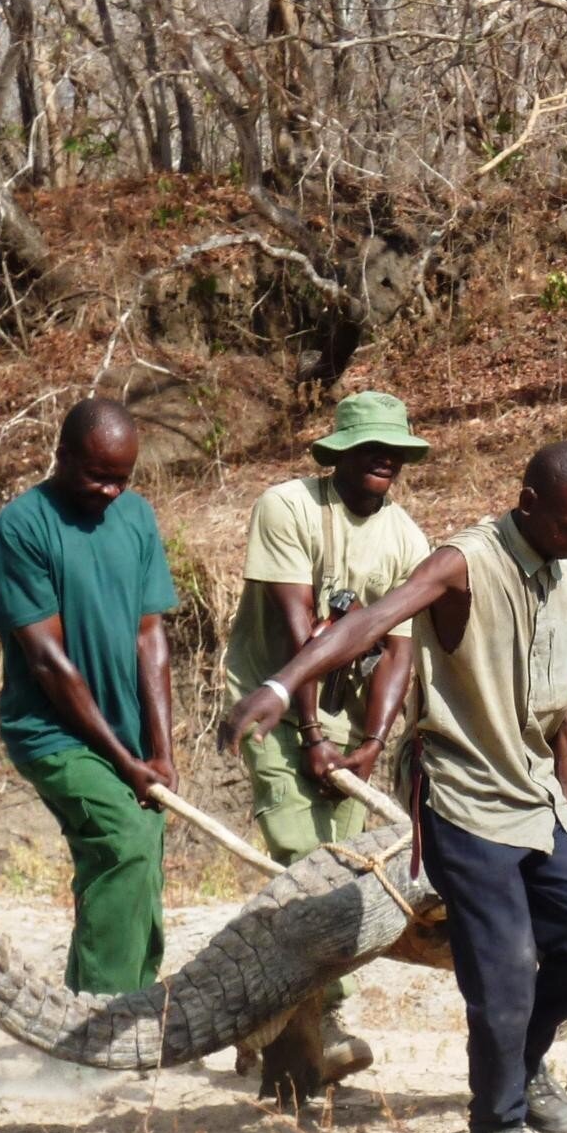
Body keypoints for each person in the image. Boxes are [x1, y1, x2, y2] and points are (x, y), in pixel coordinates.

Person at [222, 441, 567, 1133]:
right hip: (464, 792)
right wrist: (280, 687)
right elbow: (367, 625)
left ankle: (524, 1063)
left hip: (534, 795)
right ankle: (495, 1124)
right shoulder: (463, 562)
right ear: (529, 502)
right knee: (505, 960)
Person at [224, 390, 431, 1080]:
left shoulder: (407, 538)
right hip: (276, 706)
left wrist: (373, 739)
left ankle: (270, 1025)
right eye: (369, 448)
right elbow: (296, 630)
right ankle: (314, 1028)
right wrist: (310, 730)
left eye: (393, 450)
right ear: (337, 453)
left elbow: (400, 649)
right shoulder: (289, 508)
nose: (383, 461)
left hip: (348, 720)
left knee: (341, 874)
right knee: (300, 855)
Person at [0, 398, 180, 995]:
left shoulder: (137, 517)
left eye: (123, 477)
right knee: (122, 844)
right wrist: (124, 760)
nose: (112, 491)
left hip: (129, 735)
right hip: (55, 733)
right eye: (98, 476)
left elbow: (151, 637)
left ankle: (132, 1001)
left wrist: (161, 751)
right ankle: (101, 1017)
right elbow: (49, 662)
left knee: (143, 851)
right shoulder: (20, 529)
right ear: (61, 457)